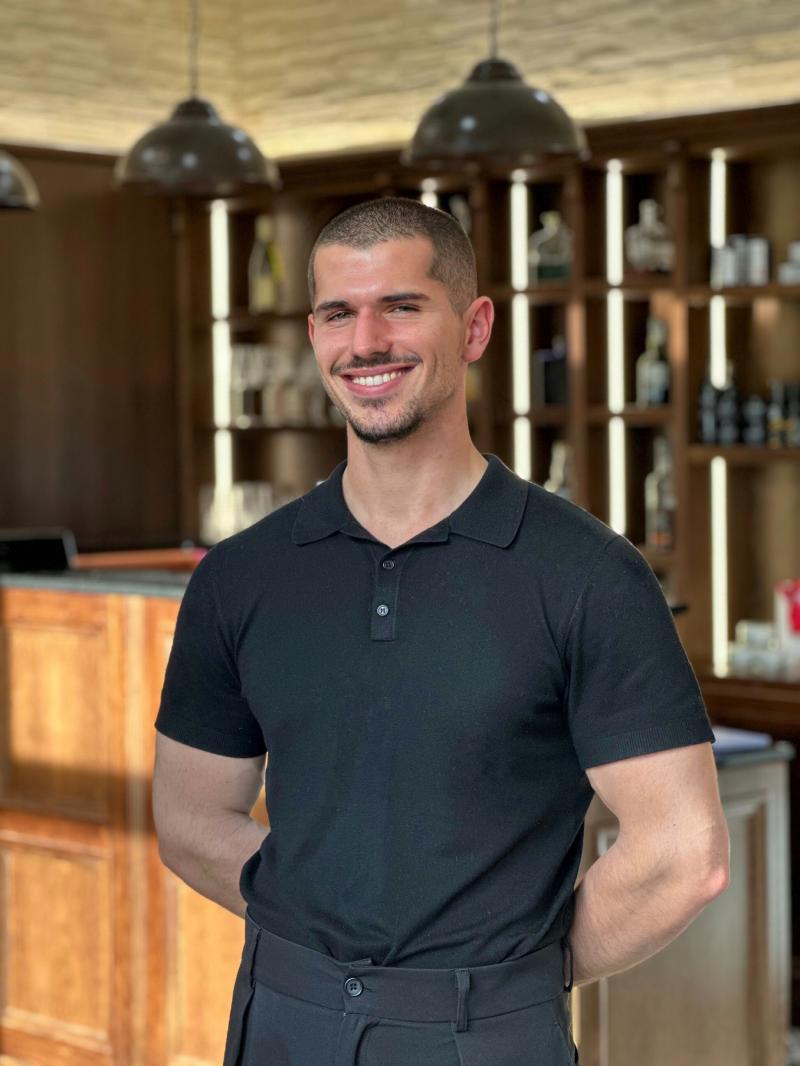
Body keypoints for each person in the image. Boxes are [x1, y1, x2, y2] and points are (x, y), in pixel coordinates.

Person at [153, 197, 730, 1066]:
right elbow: (190, 816)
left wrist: (511, 980)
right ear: (314, 335)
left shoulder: (587, 575)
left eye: (402, 306)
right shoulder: (240, 576)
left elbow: (683, 854)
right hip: (282, 1021)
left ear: (475, 327)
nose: (366, 341)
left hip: (485, 1034)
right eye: (339, 313)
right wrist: (317, 934)